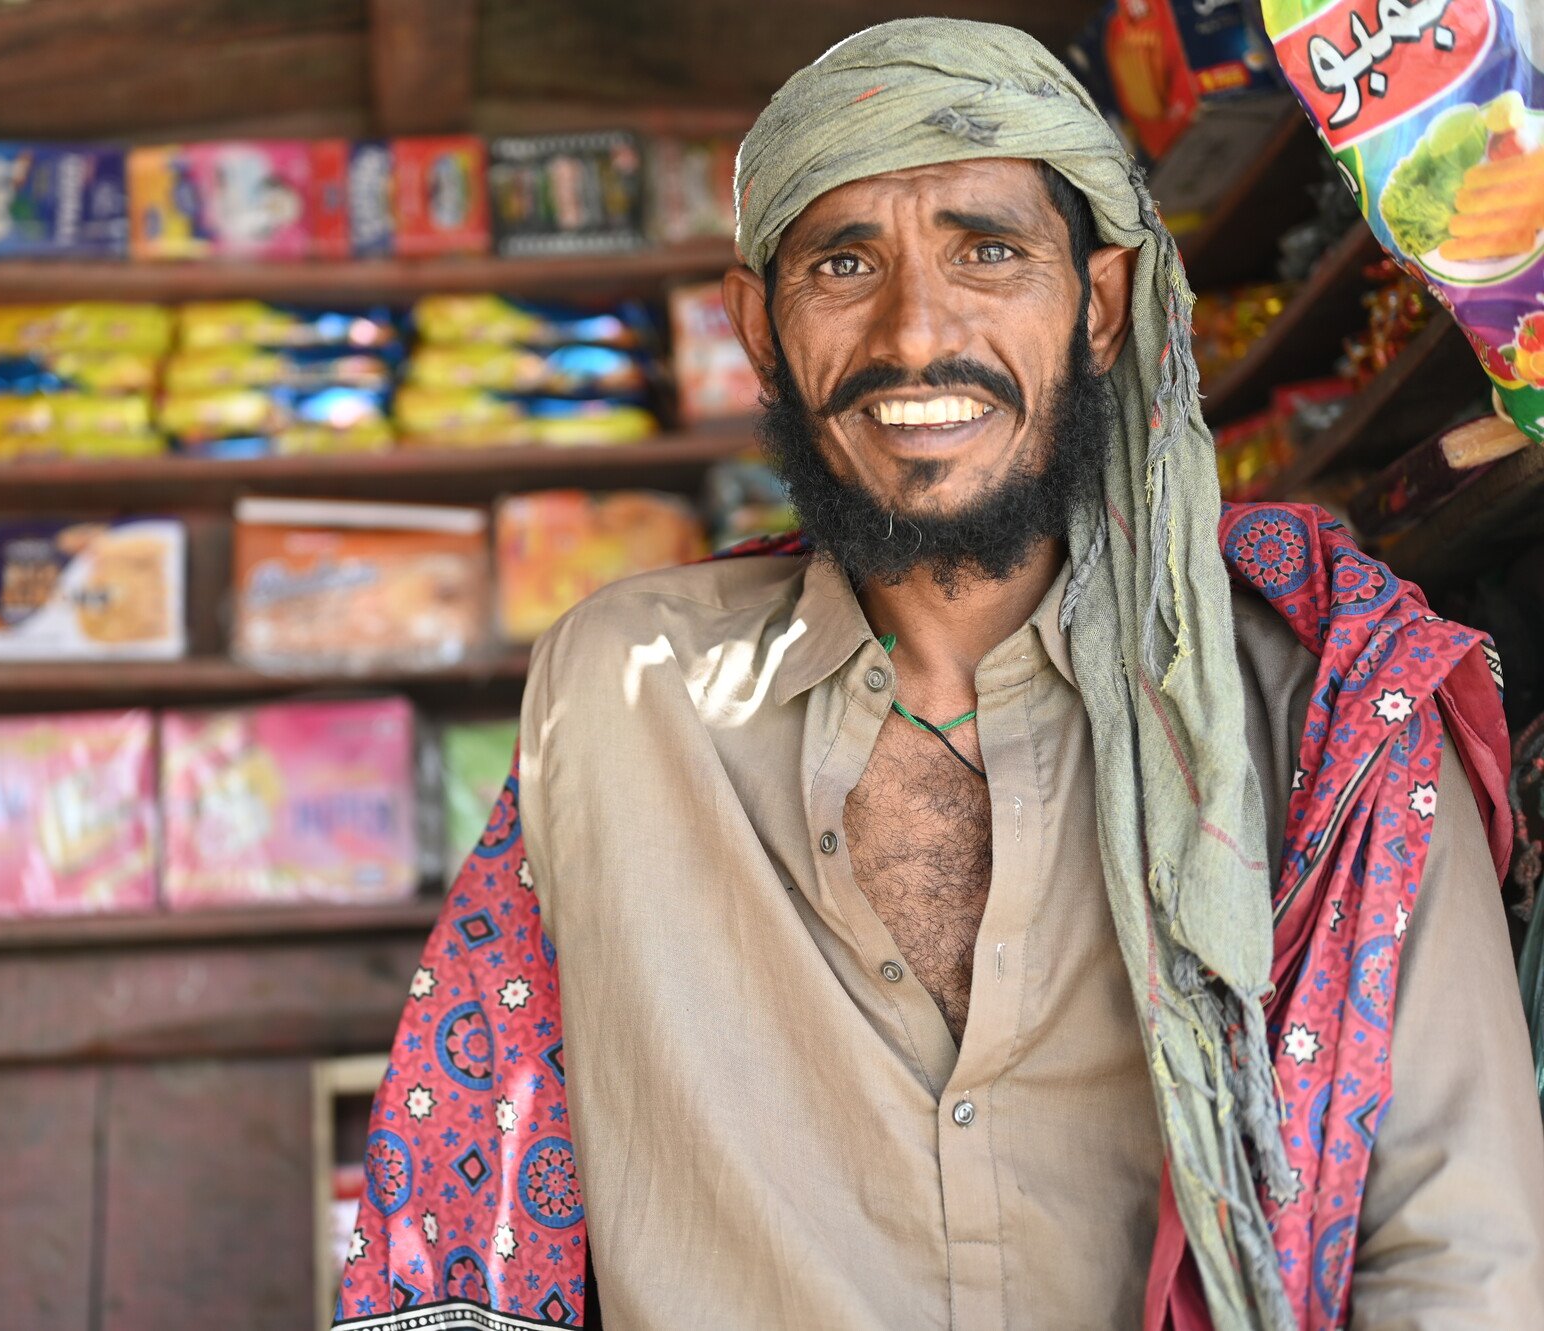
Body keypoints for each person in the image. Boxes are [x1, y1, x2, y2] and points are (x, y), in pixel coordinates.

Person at [334, 18, 1544, 1331]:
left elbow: (1460, 1263)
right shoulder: (628, 689)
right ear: (759, 328)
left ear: (1099, 304)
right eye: (845, 263)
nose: (918, 333)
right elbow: (480, 1173)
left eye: (989, 252)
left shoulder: (1323, 707)